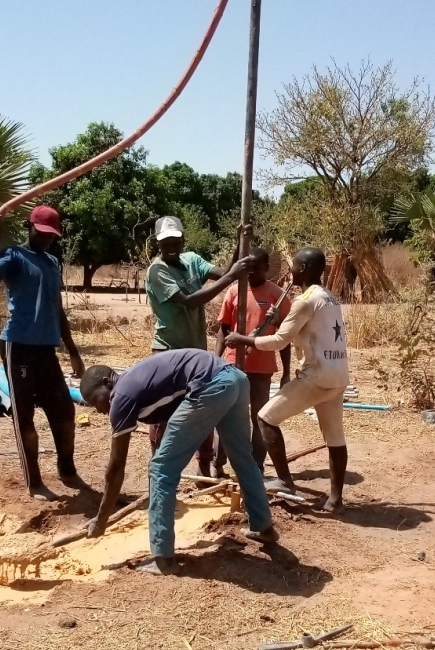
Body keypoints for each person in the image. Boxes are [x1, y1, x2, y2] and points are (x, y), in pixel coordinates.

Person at [79, 348, 278, 574]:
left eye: (95, 400)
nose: (99, 410)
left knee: (160, 469)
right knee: (243, 459)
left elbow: (116, 468)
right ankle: (263, 526)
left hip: (211, 383)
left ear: (107, 382)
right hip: (234, 379)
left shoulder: (121, 395)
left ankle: (162, 557)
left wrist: (101, 518)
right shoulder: (136, 381)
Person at [226, 248, 350, 513]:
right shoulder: (329, 297)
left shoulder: (304, 301)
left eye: (293, 265)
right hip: (338, 375)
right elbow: (300, 330)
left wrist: (243, 339)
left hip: (316, 377)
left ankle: (284, 480)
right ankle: (335, 498)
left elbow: (279, 341)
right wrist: (280, 319)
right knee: (335, 437)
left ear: (303, 268)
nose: (290, 271)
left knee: (264, 417)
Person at [0, 205, 86, 501]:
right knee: (24, 417)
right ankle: (34, 481)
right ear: (30, 227)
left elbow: (57, 309)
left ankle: (67, 469)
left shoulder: (51, 262)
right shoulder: (13, 256)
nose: (47, 239)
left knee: (64, 410)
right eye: (42, 233)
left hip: (46, 349)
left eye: (52, 235)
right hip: (18, 346)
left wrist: (73, 351)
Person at [145, 215, 255, 477]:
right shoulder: (157, 270)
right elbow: (190, 301)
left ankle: (204, 468)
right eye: (165, 242)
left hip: (195, 351)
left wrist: (240, 243)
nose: (171, 246)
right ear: (158, 244)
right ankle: (158, 467)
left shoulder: (193, 260)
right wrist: (231, 278)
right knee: (163, 411)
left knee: (206, 407)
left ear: (183, 239)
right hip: (168, 349)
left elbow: (225, 273)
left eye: (175, 240)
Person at [214, 246, 291, 476]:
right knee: (227, 416)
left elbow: (285, 337)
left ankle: (256, 466)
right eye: (247, 268)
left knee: (259, 418)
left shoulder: (277, 296)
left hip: (262, 368)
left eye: (256, 268)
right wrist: (215, 361)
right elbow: (224, 328)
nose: (250, 273)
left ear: (267, 268)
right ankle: (218, 464)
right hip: (232, 365)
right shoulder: (234, 292)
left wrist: (286, 372)